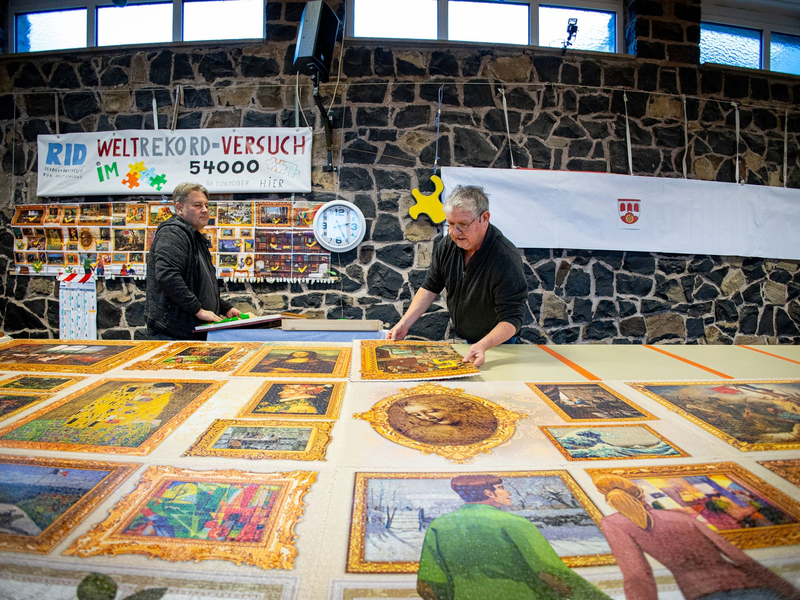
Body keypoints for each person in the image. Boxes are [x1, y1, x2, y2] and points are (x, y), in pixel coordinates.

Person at [593, 475, 800, 600]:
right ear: (640, 494)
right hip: (756, 589)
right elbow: (739, 557)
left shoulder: (614, 523)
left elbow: (637, 575)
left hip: (704, 593)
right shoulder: (679, 516)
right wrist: (788, 591)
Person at [387, 185, 528, 367]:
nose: (454, 232)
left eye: (462, 225)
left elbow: (513, 318)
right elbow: (431, 287)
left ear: (484, 218)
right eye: (450, 224)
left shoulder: (505, 257)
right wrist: (405, 323)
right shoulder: (448, 245)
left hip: (501, 345)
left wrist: (483, 345)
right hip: (473, 343)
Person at [417, 474, 610, 600]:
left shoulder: (438, 526)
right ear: (488, 493)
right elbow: (550, 573)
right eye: (501, 487)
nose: (507, 492)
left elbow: (427, 585)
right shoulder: (515, 523)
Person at [145, 182, 239, 340]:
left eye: (206, 205)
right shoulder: (172, 233)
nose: (204, 210)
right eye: (197, 205)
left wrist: (225, 308)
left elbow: (200, 287)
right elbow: (168, 277)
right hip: (174, 333)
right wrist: (198, 311)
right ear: (179, 208)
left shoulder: (195, 237)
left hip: (192, 331)